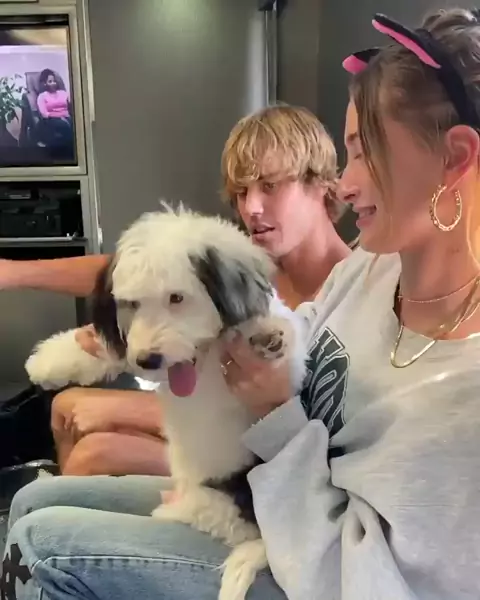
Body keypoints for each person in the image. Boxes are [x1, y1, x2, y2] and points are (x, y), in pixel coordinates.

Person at [4, 7, 480, 599]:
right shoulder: (372, 271)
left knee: (44, 546)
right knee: (33, 501)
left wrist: (271, 418)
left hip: (318, 567)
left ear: (455, 157)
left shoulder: (463, 391)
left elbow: (365, 580)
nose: (347, 182)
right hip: (270, 501)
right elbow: (284, 347)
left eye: (363, 152)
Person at [0, 104, 351, 477]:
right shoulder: (254, 265)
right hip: (212, 415)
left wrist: (125, 406)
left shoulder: (354, 291)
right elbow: (128, 271)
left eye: (270, 186)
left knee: (95, 450)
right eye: (240, 191)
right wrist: (15, 274)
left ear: (321, 182)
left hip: (263, 454)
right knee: (65, 407)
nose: (251, 207)